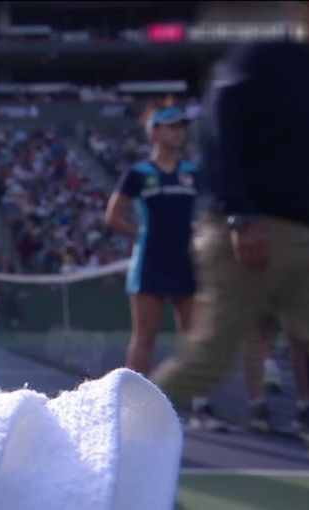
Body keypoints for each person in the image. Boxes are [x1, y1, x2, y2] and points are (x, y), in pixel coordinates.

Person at [151, 2, 309, 429]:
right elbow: (221, 131)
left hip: (308, 239)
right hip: (247, 235)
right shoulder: (262, 56)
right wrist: (239, 215)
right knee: (207, 361)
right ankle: (112, 447)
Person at [104, 104, 198, 376]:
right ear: (155, 132)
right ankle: (135, 404)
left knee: (193, 337)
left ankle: (199, 404)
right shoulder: (138, 173)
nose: (179, 133)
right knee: (145, 336)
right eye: (172, 127)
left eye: (182, 127)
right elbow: (112, 216)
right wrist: (143, 235)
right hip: (149, 263)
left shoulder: (193, 171)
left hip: (187, 262)